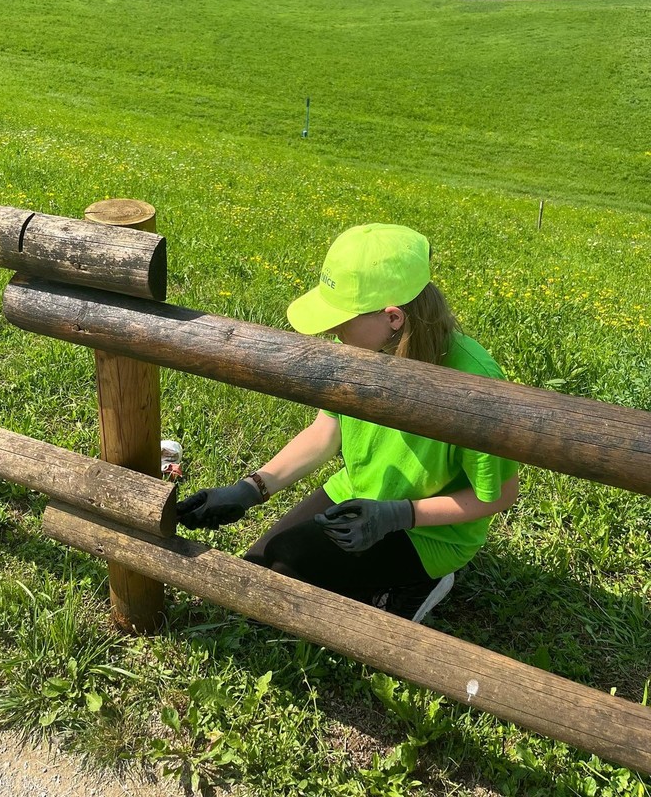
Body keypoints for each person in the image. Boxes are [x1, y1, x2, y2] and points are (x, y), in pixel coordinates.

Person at [176, 224, 519, 623]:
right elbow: (328, 430)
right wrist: (251, 488)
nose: (331, 330)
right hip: (357, 493)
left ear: (393, 317)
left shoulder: (475, 383)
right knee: (257, 565)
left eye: (341, 319)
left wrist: (398, 515)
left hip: (428, 530)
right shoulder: (359, 346)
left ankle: (423, 582)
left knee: (285, 571)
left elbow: (498, 495)